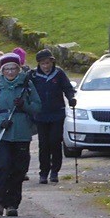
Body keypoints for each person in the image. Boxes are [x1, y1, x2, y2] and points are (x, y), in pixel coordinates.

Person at [0, 52, 41, 217]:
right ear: (2, 69)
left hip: (21, 133)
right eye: (6, 68)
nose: (10, 72)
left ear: (18, 68)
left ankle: (13, 203)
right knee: (2, 166)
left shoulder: (27, 86)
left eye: (13, 68)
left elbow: (37, 106)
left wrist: (24, 106)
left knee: (18, 169)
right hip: (1, 133)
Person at [31, 48, 76, 184]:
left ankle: (55, 171)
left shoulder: (59, 73)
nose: (46, 66)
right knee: (43, 144)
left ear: (52, 62)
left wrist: (71, 98)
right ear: (39, 64)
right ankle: (43, 172)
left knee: (55, 142)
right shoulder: (33, 75)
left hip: (57, 113)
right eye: (43, 63)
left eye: (48, 63)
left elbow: (67, 88)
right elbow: (25, 90)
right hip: (40, 114)